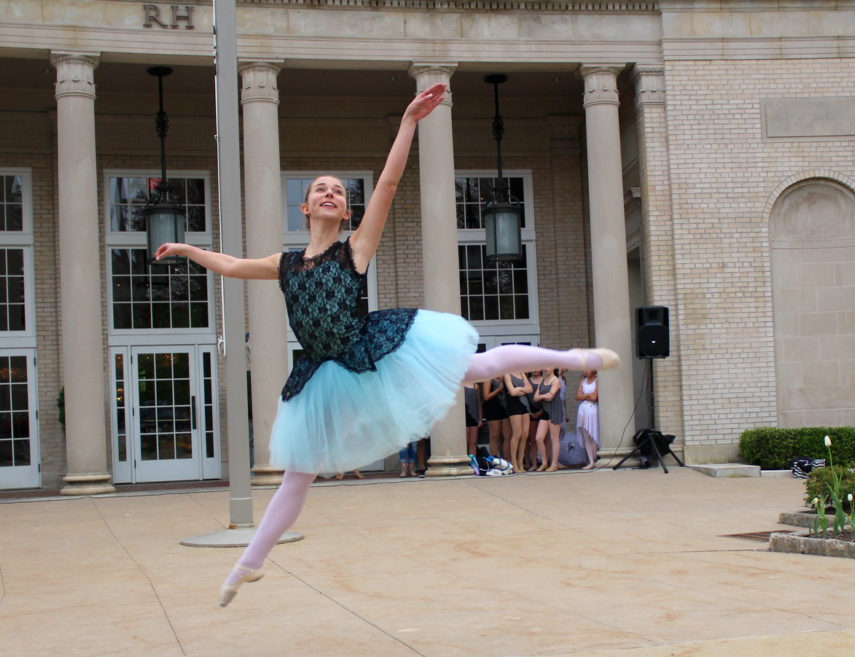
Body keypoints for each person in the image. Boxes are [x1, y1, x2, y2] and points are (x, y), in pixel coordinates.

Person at [156, 82, 618, 606]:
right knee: (296, 476)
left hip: (368, 350)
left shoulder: (354, 249)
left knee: (476, 365)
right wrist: (189, 249)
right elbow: (234, 266)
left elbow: (391, 183)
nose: (330, 193)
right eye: (319, 190)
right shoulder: (285, 264)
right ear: (304, 209)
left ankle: (572, 358)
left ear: (345, 212)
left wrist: (408, 123)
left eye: (338, 191)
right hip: (323, 374)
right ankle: (248, 565)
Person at [533, 368, 564, 472]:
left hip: (554, 410)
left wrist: (542, 396)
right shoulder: (543, 380)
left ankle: (554, 464)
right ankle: (544, 462)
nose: (546, 368)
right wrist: (543, 396)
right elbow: (535, 398)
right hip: (545, 411)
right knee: (539, 438)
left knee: (554, 438)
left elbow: (550, 396)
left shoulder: (556, 381)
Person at [503, 372, 532, 473]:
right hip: (514, 405)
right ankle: (514, 463)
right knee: (517, 434)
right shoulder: (507, 374)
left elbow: (530, 389)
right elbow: (512, 392)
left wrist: (519, 389)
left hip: (524, 404)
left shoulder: (522, 373)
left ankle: (520, 462)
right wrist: (524, 390)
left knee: (525, 434)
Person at [576, 369, 600, 470]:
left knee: (593, 434)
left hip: (593, 408)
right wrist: (588, 395)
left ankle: (594, 459)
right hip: (583, 408)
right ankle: (590, 460)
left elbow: (594, 397)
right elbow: (577, 397)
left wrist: (583, 396)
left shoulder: (598, 380)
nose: (586, 371)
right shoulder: (583, 381)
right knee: (586, 436)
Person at [481, 375, 508, 463]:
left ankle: (506, 461)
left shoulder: (505, 376)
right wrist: (499, 389)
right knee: (495, 436)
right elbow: (486, 396)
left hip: (504, 407)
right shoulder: (489, 377)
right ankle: (494, 462)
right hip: (492, 407)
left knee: (506, 436)